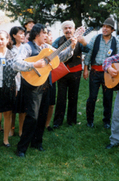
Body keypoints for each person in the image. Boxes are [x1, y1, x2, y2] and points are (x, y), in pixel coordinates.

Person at [14, 24, 77, 157]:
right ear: (37, 34)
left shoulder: (47, 48)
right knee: (32, 116)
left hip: (46, 84)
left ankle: (37, 142)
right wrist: (33, 64)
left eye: (47, 34)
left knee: (42, 114)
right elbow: (16, 63)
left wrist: (71, 46)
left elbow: (61, 57)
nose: (47, 36)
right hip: (32, 85)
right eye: (44, 34)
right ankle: (21, 148)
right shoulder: (27, 47)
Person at [83, 17, 119, 128]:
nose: (105, 29)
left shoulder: (116, 41)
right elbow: (89, 54)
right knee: (92, 97)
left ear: (112, 30)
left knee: (108, 97)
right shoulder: (95, 38)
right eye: (104, 26)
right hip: (95, 71)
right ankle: (90, 120)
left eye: (108, 27)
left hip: (108, 73)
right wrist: (85, 69)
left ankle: (106, 121)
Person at [52, 21, 88, 128]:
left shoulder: (79, 39)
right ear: (63, 31)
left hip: (75, 72)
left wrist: (84, 42)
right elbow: (51, 51)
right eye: (65, 28)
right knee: (61, 97)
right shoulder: (59, 41)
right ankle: (57, 121)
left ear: (74, 29)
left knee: (73, 97)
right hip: (61, 72)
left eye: (70, 28)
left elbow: (88, 49)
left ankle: (71, 121)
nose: (68, 30)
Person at [9, 26, 26, 137]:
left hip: (25, 79)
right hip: (13, 80)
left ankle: (21, 130)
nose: (23, 35)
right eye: (20, 33)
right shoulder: (10, 49)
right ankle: (11, 129)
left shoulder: (26, 48)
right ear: (14, 35)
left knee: (23, 107)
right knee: (12, 107)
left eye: (24, 33)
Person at [44, 29, 56, 131]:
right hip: (42, 79)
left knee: (51, 104)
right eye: (48, 35)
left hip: (53, 79)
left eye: (51, 35)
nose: (50, 37)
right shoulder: (41, 50)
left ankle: (47, 124)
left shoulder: (53, 49)